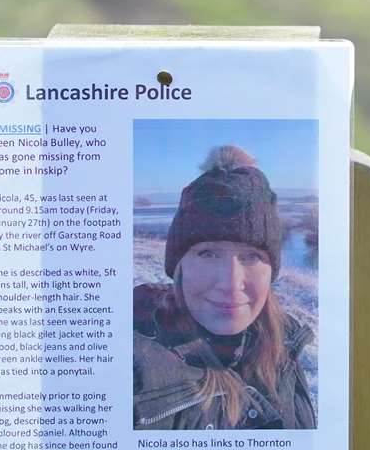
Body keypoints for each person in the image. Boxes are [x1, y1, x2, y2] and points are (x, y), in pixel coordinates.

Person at [133, 145, 317, 431]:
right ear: (179, 266)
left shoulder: (284, 344)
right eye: (208, 254)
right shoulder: (138, 363)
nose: (231, 283)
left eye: (251, 256)